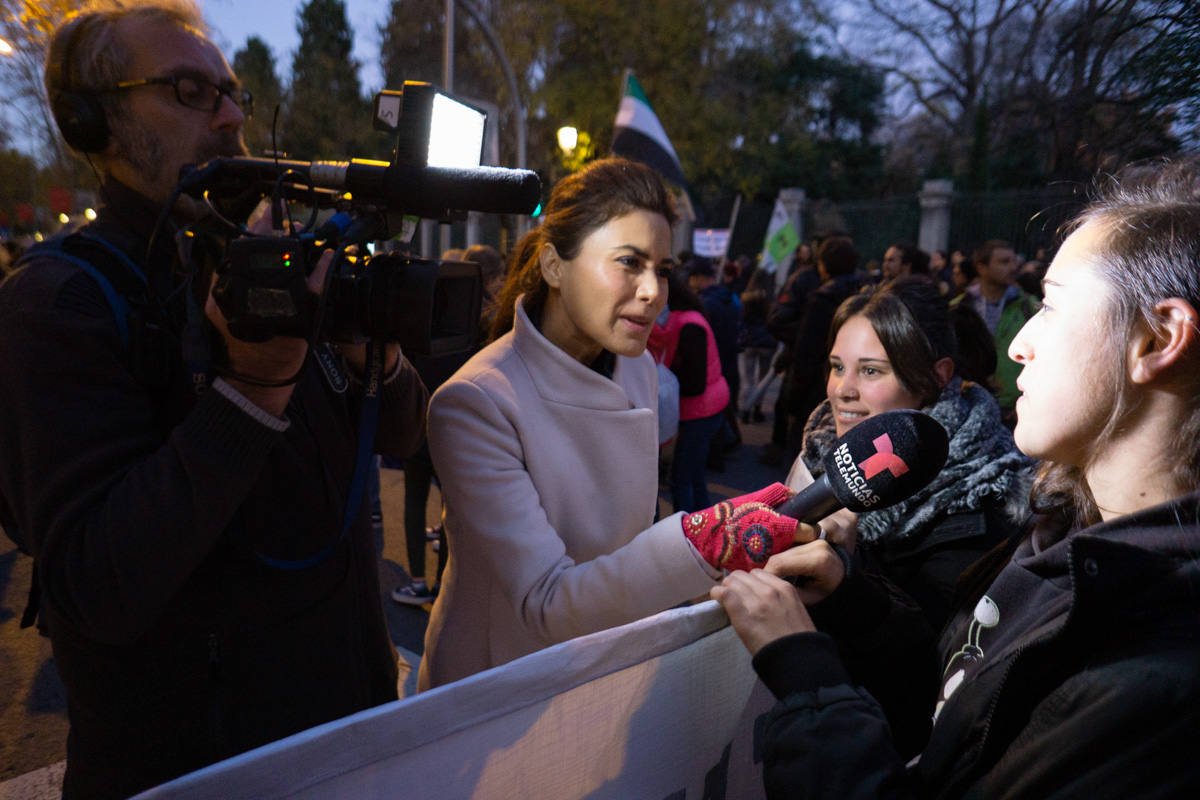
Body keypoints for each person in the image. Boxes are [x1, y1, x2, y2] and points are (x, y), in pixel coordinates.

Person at [0, 3, 427, 796]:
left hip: (346, 743)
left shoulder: (266, 256)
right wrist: (255, 387)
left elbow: (401, 435)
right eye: (189, 90)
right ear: (96, 121)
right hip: (201, 773)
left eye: (232, 93)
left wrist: (382, 360)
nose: (230, 116)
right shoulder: (61, 302)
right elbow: (98, 588)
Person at [713, 159, 1200, 798]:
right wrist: (850, 598)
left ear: (1157, 337)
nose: (1019, 344)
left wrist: (806, 676)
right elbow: (956, 698)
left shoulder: (1155, 679)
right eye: (838, 367)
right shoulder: (1057, 535)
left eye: (1050, 307)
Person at [417, 158, 805, 690]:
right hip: (499, 684)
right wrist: (701, 541)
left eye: (664, 270)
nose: (653, 292)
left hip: (605, 666)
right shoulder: (474, 402)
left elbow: (633, 536)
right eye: (629, 262)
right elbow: (545, 600)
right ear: (554, 266)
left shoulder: (637, 365)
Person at [787, 277, 1033, 629]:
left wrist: (847, 584)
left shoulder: (984, 500)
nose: (842, 390)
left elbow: (934, 652)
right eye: (838, 366)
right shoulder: (819, 450)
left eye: (871, 371)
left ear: (935, 377)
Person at [649, 270, 731, 511]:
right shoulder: (686, 318)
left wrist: (667, 383)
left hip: (701, 410)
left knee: (682, 479)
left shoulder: (687, 325)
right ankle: (706, 529)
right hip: (707, 405)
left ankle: (688, 537)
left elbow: (694, 383)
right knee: (694, 476)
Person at [952, 239, 1039, 422]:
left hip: (1014, 406)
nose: (1013, 267)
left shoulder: (1029, 307)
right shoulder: (959, 307)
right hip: (966, 402)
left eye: (1013, 261)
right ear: (982, 267)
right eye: (1004, 262)